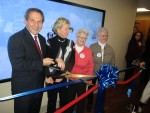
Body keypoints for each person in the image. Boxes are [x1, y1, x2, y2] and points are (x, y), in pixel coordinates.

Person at [7, 8, 55, 113]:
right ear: (25, 20)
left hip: (38, 88)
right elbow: (18, 65)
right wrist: (42, 63)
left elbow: (43, 60)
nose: (36, 24)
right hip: (24, 90)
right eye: (32, 20)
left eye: (40, 21)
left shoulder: (42, 39)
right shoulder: (16, 39)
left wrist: (47, 75)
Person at [45, 17, 75, 113]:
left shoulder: (71, 43)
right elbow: (47, 62)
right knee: (51, 102)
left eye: (69, 28)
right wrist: (53, 75)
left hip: (64, 77)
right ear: (58, 29)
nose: (68, 31)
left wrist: (62, 75)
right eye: (66, 28)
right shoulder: (50, 42)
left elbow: (71, 61)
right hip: (51, 78)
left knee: (64, 101)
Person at [87, 27, 115, 112]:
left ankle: (100, 104)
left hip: (104, 74)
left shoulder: (110, 49)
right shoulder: (92, 47)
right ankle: (89, 103)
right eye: (103, 36)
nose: (105, 37)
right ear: (98, 36)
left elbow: (112, 63)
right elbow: (88, 61)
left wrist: (110, 75)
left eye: (106, 36)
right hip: (93, 72)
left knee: (102, 90)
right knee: (90, 89)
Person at [66, 28, 94, 113]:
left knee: (81, 100)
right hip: (71, 79)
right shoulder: (70, 48)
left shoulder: (88, 51)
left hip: (82, 79)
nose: (83, 40)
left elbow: (90, 65)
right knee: (70, 99)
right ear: (77, 37)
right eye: (81, 37)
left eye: (85, 38)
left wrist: (89, 79)